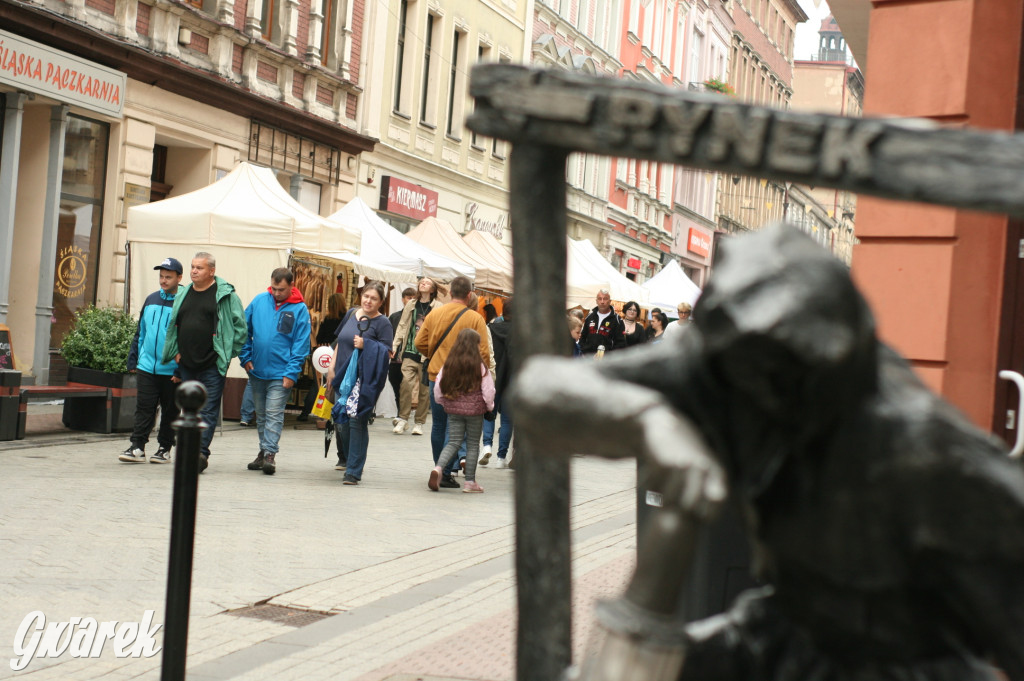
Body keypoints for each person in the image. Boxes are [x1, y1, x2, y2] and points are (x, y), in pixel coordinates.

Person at [511, 224, 1024, 681]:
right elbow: (536, 391)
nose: (758, 412)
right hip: (785, 631)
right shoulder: (723, 362)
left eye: (781, 393)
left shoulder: (925, 453)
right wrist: (651, 422)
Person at [162, 252, 247, 473]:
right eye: (192, 267)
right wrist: (176, 352)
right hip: (187, 363)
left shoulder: (225, 294)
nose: (193, 271)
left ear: (211, 271)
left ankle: (200, 453)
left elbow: (240, 328)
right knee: (189, 410)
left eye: (199, 268)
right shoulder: (184, 293)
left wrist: (227, 353)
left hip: (212, 364)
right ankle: (189, 451)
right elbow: (175, 324)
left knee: (208, 409)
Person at [415, 275, 491, 489]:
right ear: (469, 295)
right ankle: (448, 471)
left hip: (436, 377)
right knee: (455, 426)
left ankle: (439, 468)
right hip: (465, 380)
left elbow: (419, 341)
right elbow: (483, 352)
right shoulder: (475, 319)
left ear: (449, 293)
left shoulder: (434, 313)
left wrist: (435, 354)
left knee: (438, 424)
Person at [238, 268, 312, 475]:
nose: (277, 293)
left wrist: (291, 372)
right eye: (274, 288)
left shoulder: (300, 310)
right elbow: (243, 330)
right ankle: (263, 451)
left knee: (273, 413)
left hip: (281, 373)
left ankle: (270, 453)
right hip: (257, 370)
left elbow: (301, 344)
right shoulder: (260, 300)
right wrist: (245, 358)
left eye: (281, 289)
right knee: (261, 415)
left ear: (291, 286)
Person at [327, 281, 394, 485]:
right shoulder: (351, 314)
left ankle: (354, 471)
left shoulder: (383, 323)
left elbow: (388, 353)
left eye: (374, 298)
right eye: (366, 296)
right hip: (341, 377)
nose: (368, 301)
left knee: (357, 422)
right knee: (342, 422)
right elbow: (340, 342)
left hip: (363, 380)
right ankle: (349, 458)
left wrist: (367, 344)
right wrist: (331, 368)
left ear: (381, 302)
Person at [119, 257, 183, 464]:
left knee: (170, 410)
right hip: (147, 366)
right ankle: (137, 446)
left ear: (179, 278)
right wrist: (133, 358)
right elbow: (141, 331)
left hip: (172, 368)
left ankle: (164, 448)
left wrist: (181, 369)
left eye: (168, 277)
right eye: (161, 276)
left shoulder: (184, 302)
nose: (163, 281)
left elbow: (188, 338)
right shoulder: (151, 299)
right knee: (144, 407)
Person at [428, 328, 494, 493]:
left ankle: (438, 469)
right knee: (472, 444)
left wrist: (441, 402)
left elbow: (438, 386)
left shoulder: (449, 363)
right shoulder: (480, 366)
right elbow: (488, 390)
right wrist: (489, 407)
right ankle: (470, 482)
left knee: (453, 442)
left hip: (454, 410)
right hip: (475, 411)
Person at [392, 278, 442, 436]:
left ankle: (419, 422)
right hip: (409, 350)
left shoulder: (438, 307)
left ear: (433, 289)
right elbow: (402, 325)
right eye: (422, 282)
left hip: (427, 355)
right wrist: (395, 345)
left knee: (424, 389)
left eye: (427, 282)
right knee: (405, 383)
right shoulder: (411, 304)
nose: (423, 283)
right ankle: (403, 418)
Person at [298, 292, 348, 422]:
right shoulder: (347, 319)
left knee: (319, 384)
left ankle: (305, 412)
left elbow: (319, 338)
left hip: (324, 355)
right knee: (340, 383)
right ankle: (336, 412)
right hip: (341, 355)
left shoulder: (327, 319)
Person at [481, 298, 513, 469]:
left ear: (503, 312)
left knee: (489, 413)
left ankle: (486, 445)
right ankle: (502, 457)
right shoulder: (521, 332)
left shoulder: (491, 329)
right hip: (512, 381)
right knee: (507, 419)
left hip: (493, 378)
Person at [387, 287, 417, 419]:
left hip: (410, 358)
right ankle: (401, 411)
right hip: (395, 358)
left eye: (413, 298)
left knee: (407, 387)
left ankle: (402, 414)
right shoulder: (394, 317)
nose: (411, 300)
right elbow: (389, 335)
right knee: (395, 384)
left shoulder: (418, 317)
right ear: (403, 299)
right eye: (408, 298)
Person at [578, 289, 626, 355]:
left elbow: (620, 343)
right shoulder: (590, 317)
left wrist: (609, 356)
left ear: (610, 301)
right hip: (588, 358)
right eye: (600, 299)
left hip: (606, 360)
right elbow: (583, 337)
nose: (602, 302)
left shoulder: (617, 320)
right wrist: (583, 351)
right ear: (596, 301)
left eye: (605, 299)